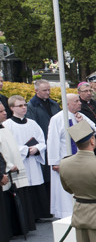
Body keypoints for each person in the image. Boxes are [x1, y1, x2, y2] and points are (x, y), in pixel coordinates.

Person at [47, 94, 96, 219]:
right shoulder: (57, 118)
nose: (80, 103)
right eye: (76, 101)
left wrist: (82, 122)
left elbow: (94, 130)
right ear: (67, 104)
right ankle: (67, 214)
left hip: (82, 158)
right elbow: (53, 140)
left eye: (79, 101)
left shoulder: (80, 116)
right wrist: (55, 162)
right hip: (65, 159)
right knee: (66, 190)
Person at [5, 95, 49, 223]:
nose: (24, 108)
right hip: (21, 161)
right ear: (12, 108)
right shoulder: (8, 125)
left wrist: (37, 148)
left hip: (33, 161)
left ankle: (39, 213)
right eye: (20, 106)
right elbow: (8, 145)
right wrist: (25, 150)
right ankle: (28, 217)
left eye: (25, 105)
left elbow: (42, 140)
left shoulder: (32, 123)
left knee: (36, 186)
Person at [0, 102, 33, 236]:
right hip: (4, 170)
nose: (4, 113)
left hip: (14, 167)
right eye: (1, 111)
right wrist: (7, 165)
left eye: (4, 110)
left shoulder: (4, 128)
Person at [27, 79, 60, 200]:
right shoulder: (31, 106)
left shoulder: (54, 104)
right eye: (44, 90)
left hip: (55, 142)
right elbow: (32, 128)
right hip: (42, 144)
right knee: (45, 174)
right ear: (36, 91)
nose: (48, 92)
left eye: (49, 89)